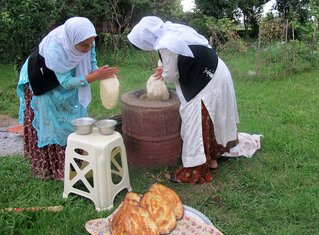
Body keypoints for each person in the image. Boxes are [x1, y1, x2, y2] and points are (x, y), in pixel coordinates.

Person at [127, 16, 239, 184]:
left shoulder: (166, 41)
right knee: (211, 118)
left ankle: (194, 171)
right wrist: (163, 66)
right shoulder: (173, 30)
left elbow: (171, 74)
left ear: (146, 39)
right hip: (216, 70)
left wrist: (163, 73)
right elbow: (174, 53)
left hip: (205, 80)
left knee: (196, 123)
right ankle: (212, 161)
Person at [17, 17, 119, 180]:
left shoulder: (87, 41)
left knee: (73, 114)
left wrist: (105, 76)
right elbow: (65, 83)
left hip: (63, 76)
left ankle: (76, 162)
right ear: (72, 43)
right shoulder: (57, 49)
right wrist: (93, 77)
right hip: (42, 77)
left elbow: (92, 65)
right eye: (84, 46)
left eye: (91, 44)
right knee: (53, 121)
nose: (88, 48)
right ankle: (52, 169)